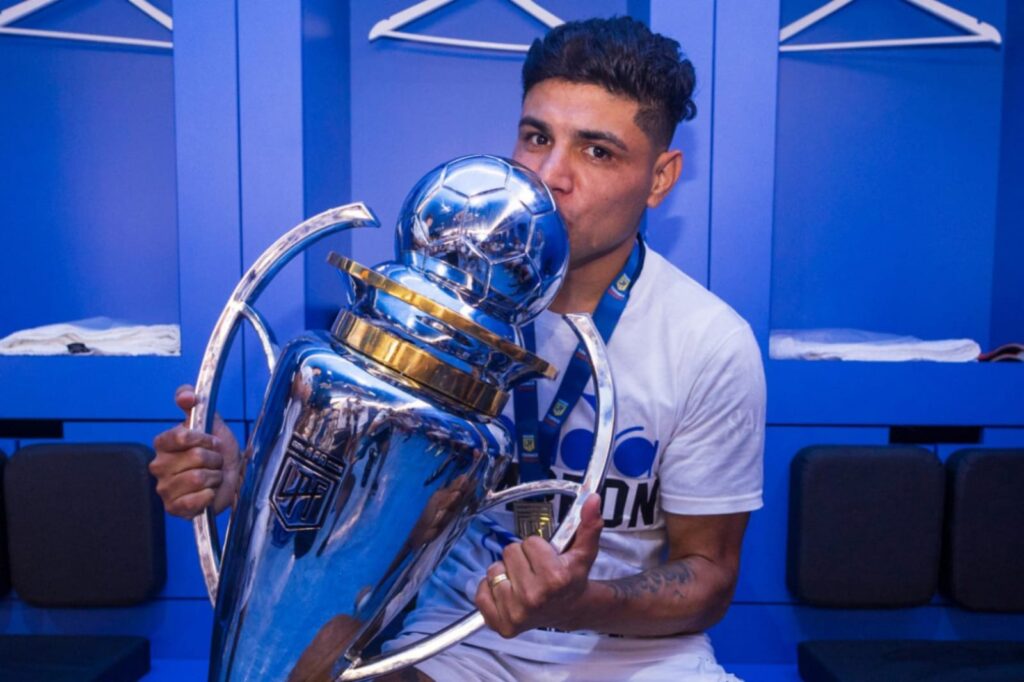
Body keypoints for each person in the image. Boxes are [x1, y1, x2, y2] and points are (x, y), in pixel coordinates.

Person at [150, 16, 765, 682]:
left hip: (631, 656)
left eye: (597, 152)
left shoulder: (708, 341)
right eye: (536, 137)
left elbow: (709, 576)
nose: (550, 176)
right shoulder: (426, 307)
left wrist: (578, 601)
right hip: (452, 648)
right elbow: (357, 512)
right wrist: (253, 487)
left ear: (660, 177)